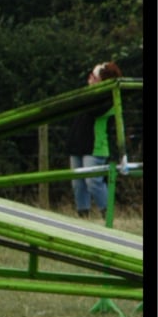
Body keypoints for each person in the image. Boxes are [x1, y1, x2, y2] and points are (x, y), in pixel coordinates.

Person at [66, 61, 124, 219]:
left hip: (95, 147)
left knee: (93, 182)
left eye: (95, 77)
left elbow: (95, 111)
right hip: (78, 145)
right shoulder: (86, 97)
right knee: (78, 184)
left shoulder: (110, 100)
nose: (90, 79)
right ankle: (83, 216)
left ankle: (108, 215)